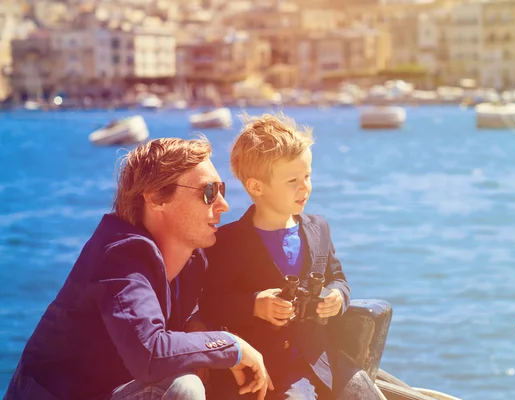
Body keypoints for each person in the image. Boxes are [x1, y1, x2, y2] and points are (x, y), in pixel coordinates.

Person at [4, 137, 273, 400]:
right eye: (208, 192)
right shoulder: (121, 255)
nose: (223, 205)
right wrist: (232, 346)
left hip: (114, 391)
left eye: (222, 190)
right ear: (156, 198)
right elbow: (151, 352)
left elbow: (192, 316)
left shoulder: (192, 260)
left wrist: (202, 330)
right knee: (182, 388)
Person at [197, 114, 383, 399]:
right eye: (293, 180)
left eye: (307, 176)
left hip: (322, 360)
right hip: (268, 368)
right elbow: (210, 305)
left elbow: (339, 279)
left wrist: (337, 297)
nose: (304, 186)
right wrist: (254, 305)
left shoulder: (318, 228)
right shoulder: (228, 242)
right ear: (256, 187)